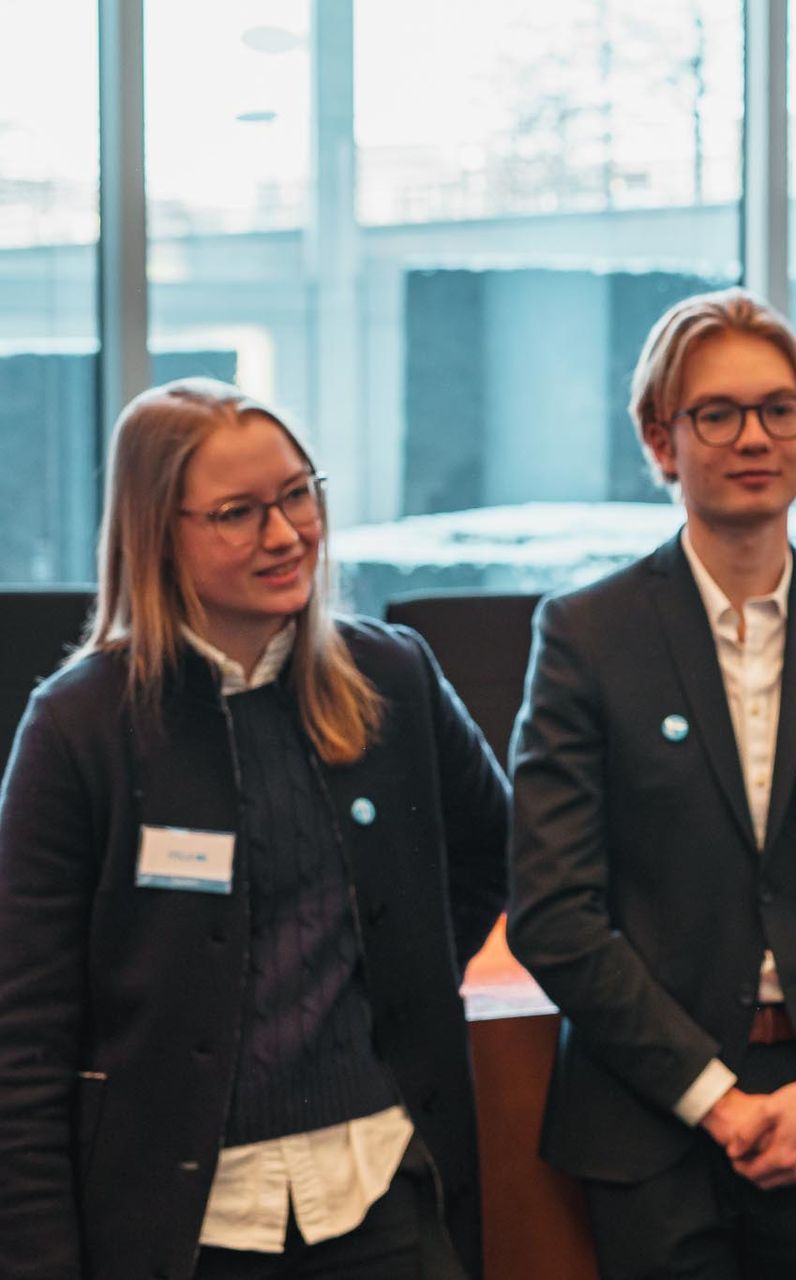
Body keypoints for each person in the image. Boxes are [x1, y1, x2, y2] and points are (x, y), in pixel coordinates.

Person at [0, 378, 508, 1279]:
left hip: (381, 1190)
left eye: (298, 494)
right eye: (238, 514)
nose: (285, 535)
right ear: (159, 533)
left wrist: (392, 983)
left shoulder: (392, 675)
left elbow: (490, 857)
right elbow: (25, 1038)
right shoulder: (80, 726)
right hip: (184, 1223)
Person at [507, 288, 796, 1279]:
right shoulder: (586, 635)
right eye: (718, 412)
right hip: (652, 1108)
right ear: (662, 439)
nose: (755, 436)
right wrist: (714, 1093)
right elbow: (553, 910)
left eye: (780, 408)